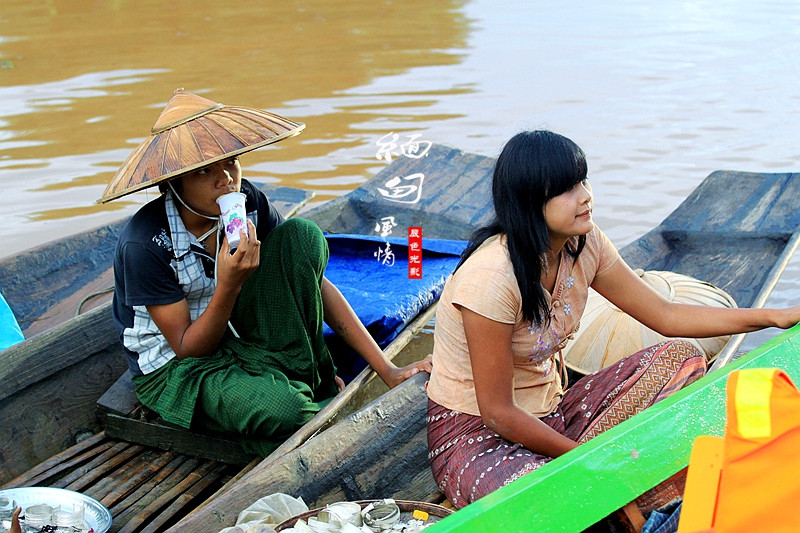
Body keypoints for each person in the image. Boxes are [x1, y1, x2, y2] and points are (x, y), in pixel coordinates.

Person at [425, 130, 800, 509]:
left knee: (680, 357)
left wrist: (772, 317)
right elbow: (498, 413)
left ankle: (612, 478)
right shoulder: (490, 278)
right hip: (478, 436)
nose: (586, 195)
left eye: (583, 181)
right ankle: (614, 481)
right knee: (557, 500)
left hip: (553, 413)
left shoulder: (583, 243)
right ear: (530, 201)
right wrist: (587, 461)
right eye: (568, 188)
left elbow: (666, 315)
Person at [100, 89, 431, 457]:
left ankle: (309, 388)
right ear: (174, 184)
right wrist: (228, 284)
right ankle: (304, 405)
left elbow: (314, 284)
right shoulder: (146, 244)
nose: (226, 179)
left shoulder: (249, 203)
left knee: (301, 236)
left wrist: (388, 369)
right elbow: (187, 349)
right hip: (179, 367)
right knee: (284, 410)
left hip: (234, 331)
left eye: (231, 161)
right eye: (205, 171)